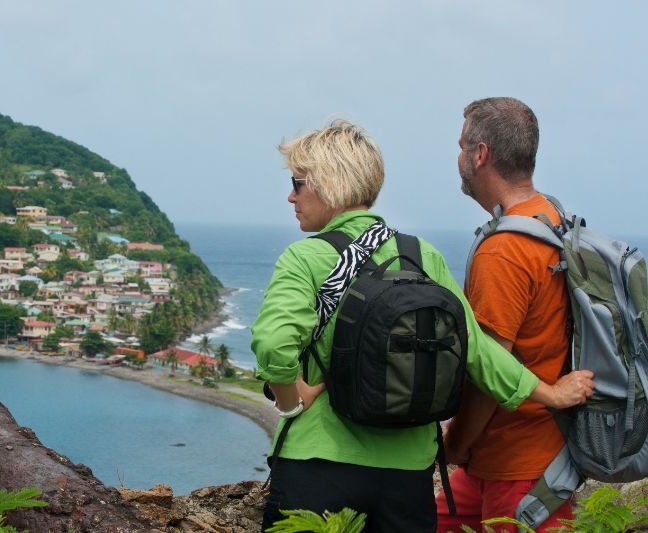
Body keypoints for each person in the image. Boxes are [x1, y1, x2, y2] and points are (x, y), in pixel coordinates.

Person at [252, 119, 595, 532]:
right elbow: (478, 351)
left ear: (329, 183)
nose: (291, 196)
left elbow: (274, 345)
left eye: (298, 182)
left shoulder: (304, 258)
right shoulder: (420, 255)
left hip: (318, 465)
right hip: (408, 476)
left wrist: (290, 401)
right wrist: (551, 393)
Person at [435, 97, 575, 532]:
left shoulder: (505, 250)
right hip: (518, 457)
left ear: (480, 155)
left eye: (462, 146)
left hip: (519, 471)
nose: (458, 157)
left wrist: (455, 444)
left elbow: (490, 372)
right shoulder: (553, 218)